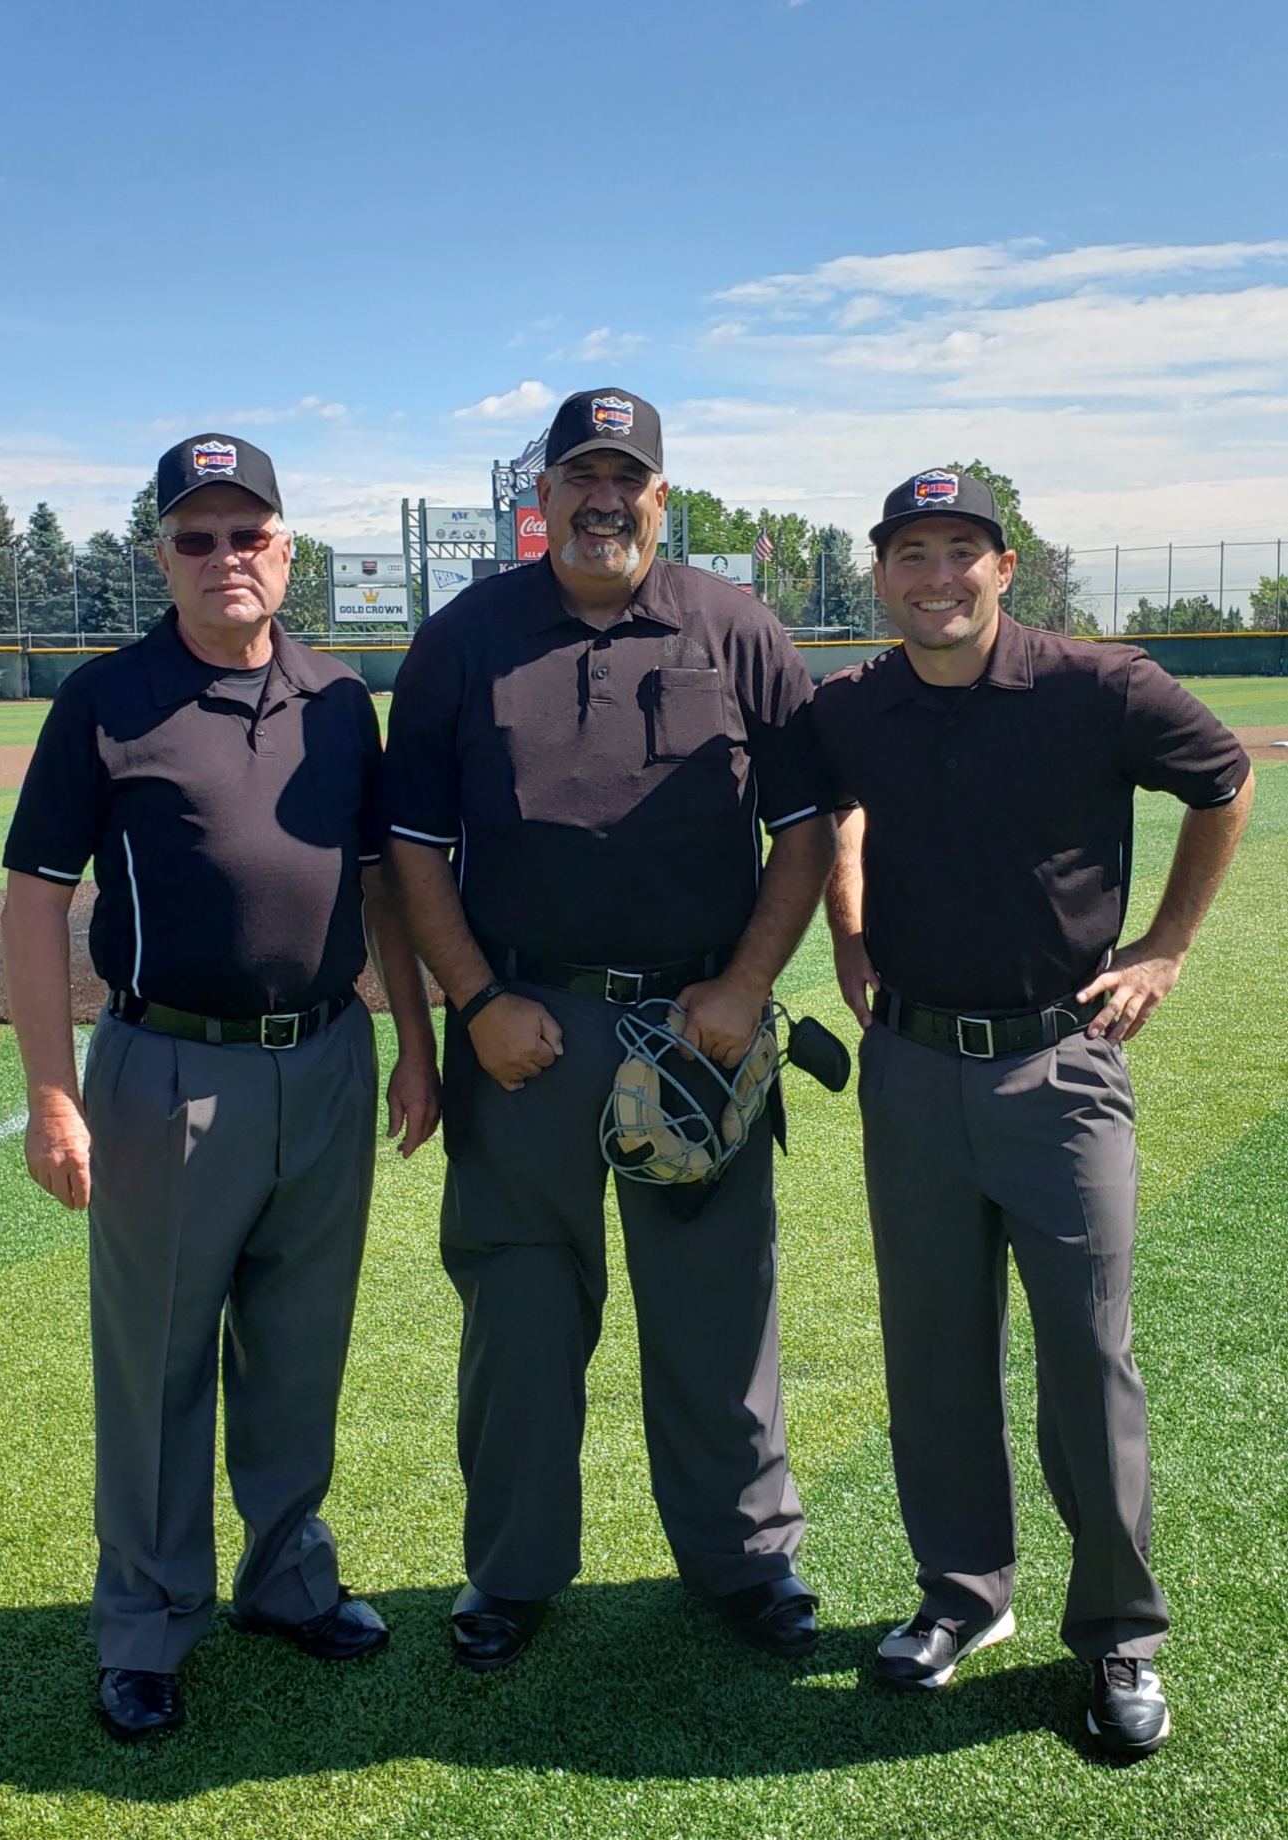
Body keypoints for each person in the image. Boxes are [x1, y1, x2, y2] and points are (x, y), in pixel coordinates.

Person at [382, 387, 836, 1670]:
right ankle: (513, 1571)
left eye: (624, 476)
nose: (602, 497)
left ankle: (748, 1560)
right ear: (543, 494)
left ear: (658, 491)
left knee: (715, 1306)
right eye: (579, 472)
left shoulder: (734, 627)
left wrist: (749, 984)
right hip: (525, 1022)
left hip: (700, 1020)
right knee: (520, 1307)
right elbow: (411, 848)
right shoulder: (464, 638)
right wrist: (475, 1000)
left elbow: (804, 831)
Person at [1, 432, 440, 1741]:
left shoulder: (335, 697)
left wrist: (412, 1041)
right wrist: (49, 1091)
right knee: (156, 1367)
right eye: (195, 535)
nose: (223, 556)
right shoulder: (106, 699)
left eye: (246, 531)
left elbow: (377, 883)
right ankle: (144, 1620)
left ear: (285, 546)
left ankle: (288, 1577)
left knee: (300, 1348)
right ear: (162, 554)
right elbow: (35, 904)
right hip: (167, 1069)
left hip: (323, 1057)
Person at [812, 466, 1253, 1756]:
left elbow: (1223, 780)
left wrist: (1166, 944)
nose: (935, 576)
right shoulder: (858, 703)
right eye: (910, 553)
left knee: (1087, 1359)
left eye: (962, 551)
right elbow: (831, 802)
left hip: (1062, 1067)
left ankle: (1119, 1632)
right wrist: (847, 922)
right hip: (909, 1062)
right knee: (934, 1350)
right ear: (880, 573)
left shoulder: (1096, 683)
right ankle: (963, 1595)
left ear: (1007, 567)